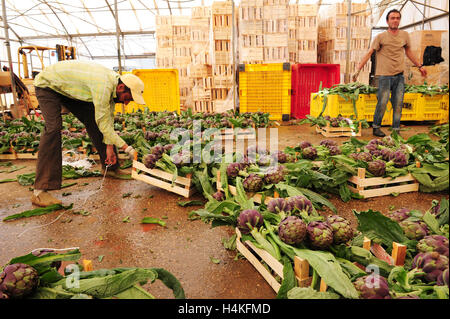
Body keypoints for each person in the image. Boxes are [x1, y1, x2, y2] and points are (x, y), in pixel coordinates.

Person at [31, 60, 144, 207]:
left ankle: (110, 168)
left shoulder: (112, 86)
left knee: (94, 119)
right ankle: (40, 192)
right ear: (121, 87)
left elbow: (106, 122)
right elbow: (104, 123)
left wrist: (110, 148)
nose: (127, 103)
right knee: (53, 127)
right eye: (127, 98)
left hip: (69, 89)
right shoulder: (103, 87)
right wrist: (128, 149)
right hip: (48, 85)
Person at [353, 9, 427, 137]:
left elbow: (409, 52)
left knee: (398, 104)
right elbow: (370, 52)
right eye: (392, 18)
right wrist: (358, 69)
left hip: (399, 76)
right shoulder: (380, 37)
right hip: (384, 76)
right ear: (387, 21)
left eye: (397, 18)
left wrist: (419, 66)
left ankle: (396, 129)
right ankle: (376, 127)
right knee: (382, 102)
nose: (395, 20)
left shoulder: (404, 35)